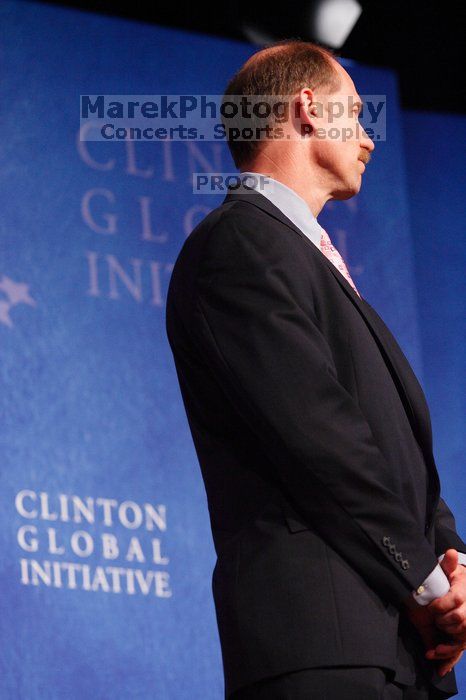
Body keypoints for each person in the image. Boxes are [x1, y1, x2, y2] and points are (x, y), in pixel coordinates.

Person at [165, 40, 466, 699]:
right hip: (326, 654)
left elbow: (393, 454)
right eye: (354, 114)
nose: (367, 138)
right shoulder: (240, 244)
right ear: (306, 108)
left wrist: (454, 561)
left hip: (399, 652)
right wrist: (430, 584)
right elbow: (322, 441)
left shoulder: (307, 260)